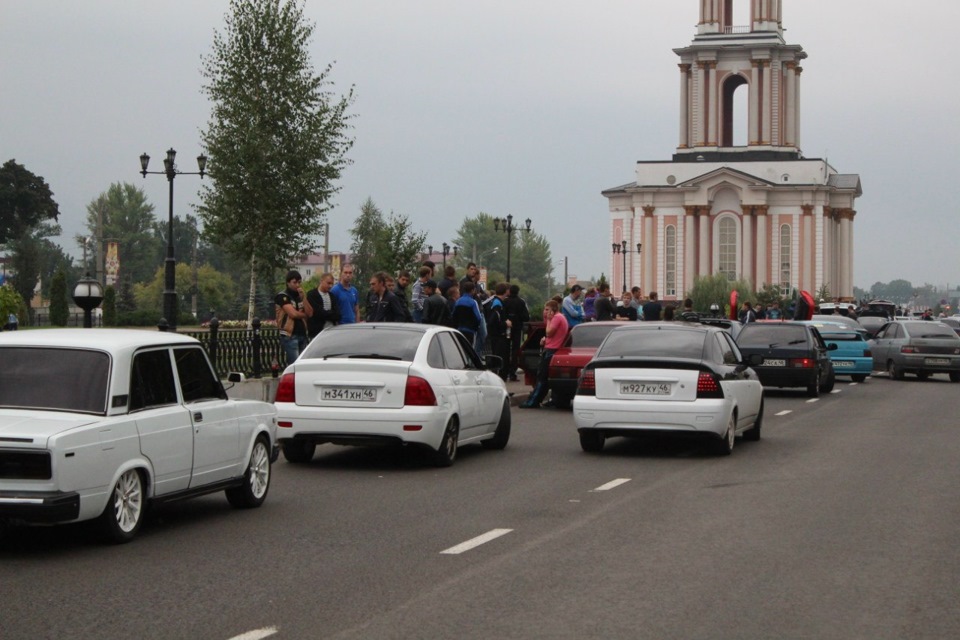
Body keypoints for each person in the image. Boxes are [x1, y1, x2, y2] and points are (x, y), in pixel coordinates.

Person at [520, 300, 569, 409]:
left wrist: (549, 320)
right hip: (552, 347)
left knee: (542, 377)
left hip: (551, 350)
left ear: (553, 310)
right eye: (544, 309)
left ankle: (533, 401)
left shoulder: (556, 318)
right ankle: (555, 400)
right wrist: (546, 339)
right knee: (547, 377)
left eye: (547, 309)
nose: (545, 312)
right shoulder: (559, 317)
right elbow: (553, 335)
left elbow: (549, 332)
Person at [275, 270, 313, 363]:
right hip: (289, 335)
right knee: (295, 363)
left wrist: (304, 297)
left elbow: (310, 313)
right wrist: (304, 315)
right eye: (294, 282)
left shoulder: (300, 296)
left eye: (299, 282)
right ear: (288, 283)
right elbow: (293, 314)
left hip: (302, 334)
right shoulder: (283, 296)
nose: (297, 285)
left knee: (303, 363)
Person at [503, 284, 530, 381]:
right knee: (515, 350)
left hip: (506, 328)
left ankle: (504, 372)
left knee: (505, 350)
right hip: (517, 328)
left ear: (509, 291)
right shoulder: (521, 302)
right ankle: (512, 373)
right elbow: (526, 317)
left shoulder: (505, 301)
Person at [485, 282, 511, 379]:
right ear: (506, 291)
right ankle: (501, 380)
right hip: (498, 336)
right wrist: (505, 324)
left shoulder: (494, 301)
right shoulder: (497, 304)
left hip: (495, 335)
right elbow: (493, 321)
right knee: (501, 358)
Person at [453, 281, 487, 352]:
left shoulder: (458, 301)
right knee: (470, 350)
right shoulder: (473, 302)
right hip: (470, 330)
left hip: (459, 329)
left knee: (461, 350)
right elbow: (478, 317)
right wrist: (476, 327)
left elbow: (454, 315)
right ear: (472, 290)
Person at [305, 272, 340, 340]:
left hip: (331, 331)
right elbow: (317, 312)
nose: (330, 286)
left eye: (332, 284)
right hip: (317, 333)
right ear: (321, 281)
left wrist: (328, 314)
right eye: (328, 283)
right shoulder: (312, 295)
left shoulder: (332, 296)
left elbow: (338, 314)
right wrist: (330, 313)